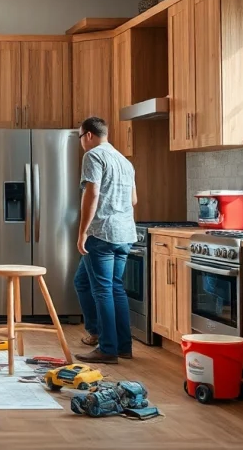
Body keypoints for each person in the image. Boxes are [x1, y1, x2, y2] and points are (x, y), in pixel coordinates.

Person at [73, 116, 137, 364]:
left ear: (88, 135)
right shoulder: (124, 161)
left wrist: (83, 231)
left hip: (102, 232)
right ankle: (121, 345)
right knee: (102, 285)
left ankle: (108, 348)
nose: (81, 142)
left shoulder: (93, 155)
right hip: (124, 233)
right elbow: (133, 200)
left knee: (102, 289)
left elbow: (92, 193)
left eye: (80, 137)